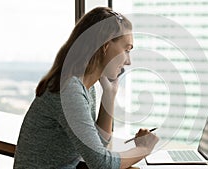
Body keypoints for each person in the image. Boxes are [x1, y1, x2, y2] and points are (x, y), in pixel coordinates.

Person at [13, 7, 159, 169]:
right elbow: (101, 163)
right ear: (106, 46)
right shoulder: (69, 90)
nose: (128, 61)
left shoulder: (84, 87)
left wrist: (109, 95)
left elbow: (98, 145)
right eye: (126, 50)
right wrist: (143, 149)